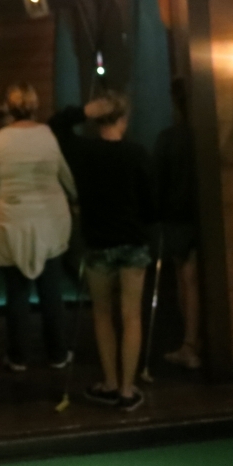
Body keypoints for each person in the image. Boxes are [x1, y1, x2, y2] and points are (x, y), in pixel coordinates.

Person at [49, 91, 154, 411]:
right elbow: (151, 205)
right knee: (132, 315)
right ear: (124, 119)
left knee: (103, 315)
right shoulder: (138, 153)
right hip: (133, 242)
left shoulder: (82, 152)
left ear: (97, 120)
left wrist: (82, 111)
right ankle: (126, 389)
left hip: (97, 244)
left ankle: (109, 383)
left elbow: (55, 126)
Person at [0, 83, 77, 371]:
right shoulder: (47, 136)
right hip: (50, 220)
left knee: (16, 293)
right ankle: (57, 353)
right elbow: (65, 176)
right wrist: (76, 199)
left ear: (8, 106)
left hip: (10, 222)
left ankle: (18, 355)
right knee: (51, 291)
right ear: (35, 106)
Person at [154, 95, 202, 370]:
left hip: (175, 217)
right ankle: (196, 341)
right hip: (202, 215)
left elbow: (157, 181)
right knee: (194, 281)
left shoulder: (167, 138)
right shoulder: (204, 134)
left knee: (186, 281)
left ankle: (189, 344)